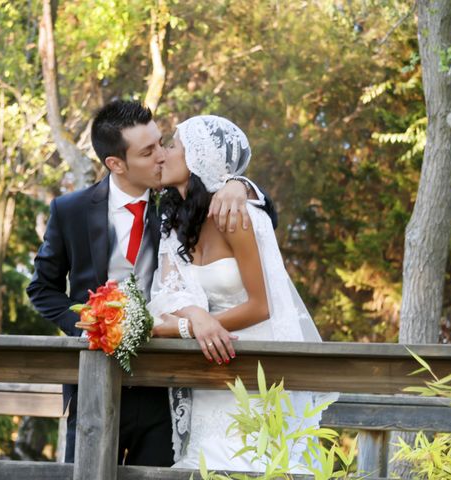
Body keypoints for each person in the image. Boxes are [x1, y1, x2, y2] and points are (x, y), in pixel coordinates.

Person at [26, 100, 275, 465]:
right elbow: (42, 290)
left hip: (166, 389)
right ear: (116, 163)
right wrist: (88, 327)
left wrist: (240, 185)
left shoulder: (176, 205)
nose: (161, 156)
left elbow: (261, 224)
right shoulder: (71, 211)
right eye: (148, 151)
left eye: (162, 143)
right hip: (94, 385)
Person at [148, 115, 336, 473]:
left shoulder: (238, 214)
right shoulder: (175, 222)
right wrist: (194, 321)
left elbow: (261, 306)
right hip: (208, 371)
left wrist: (189, 328)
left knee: (256, 463)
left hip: (254, 366)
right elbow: (169, 295)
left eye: (173, 146)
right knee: (202, 465)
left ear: (199, 160)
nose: (164, 154)